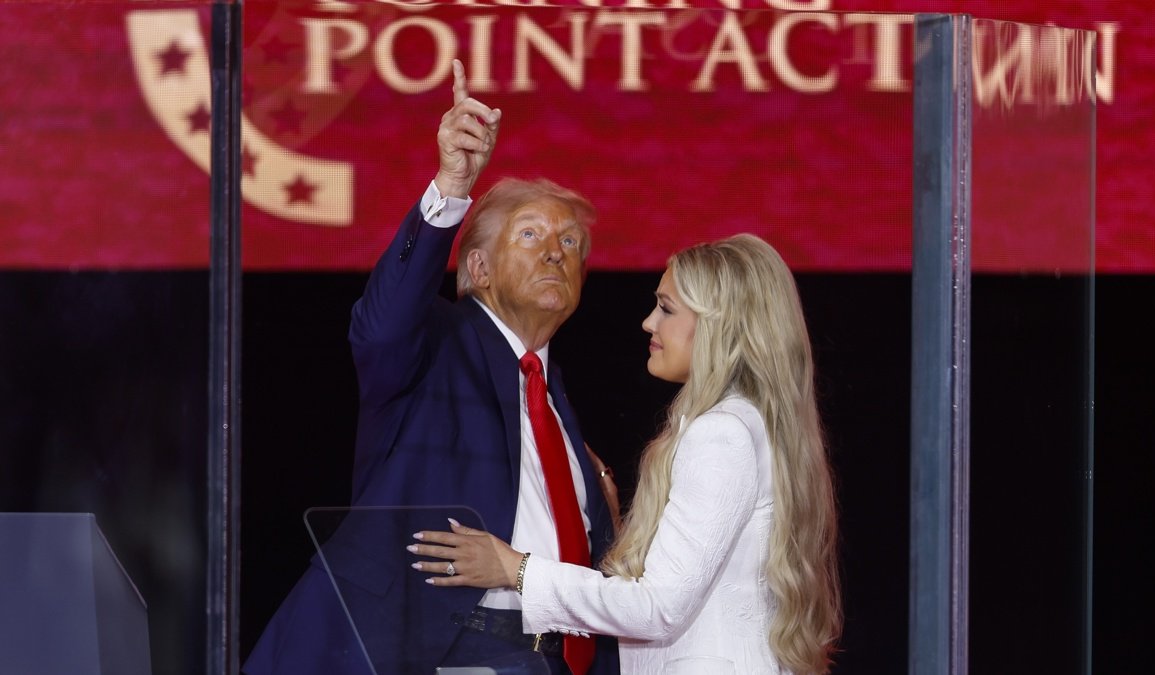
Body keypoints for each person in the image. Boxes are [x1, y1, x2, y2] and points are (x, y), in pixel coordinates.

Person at [243, 60, 618, 675]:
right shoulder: (434, 345)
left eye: (571, 242)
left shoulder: (558, 411)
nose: (556, 250)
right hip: (430, 649)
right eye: (530, 235)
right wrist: (450, 187)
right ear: (479, 271)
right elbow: (381, 323)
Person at [410, 234, 843, 674]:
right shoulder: (752, 425)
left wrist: (516, 568)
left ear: (721, 325)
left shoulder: (720, 434)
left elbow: (656, 607)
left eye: (667, 309)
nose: (648, 322)